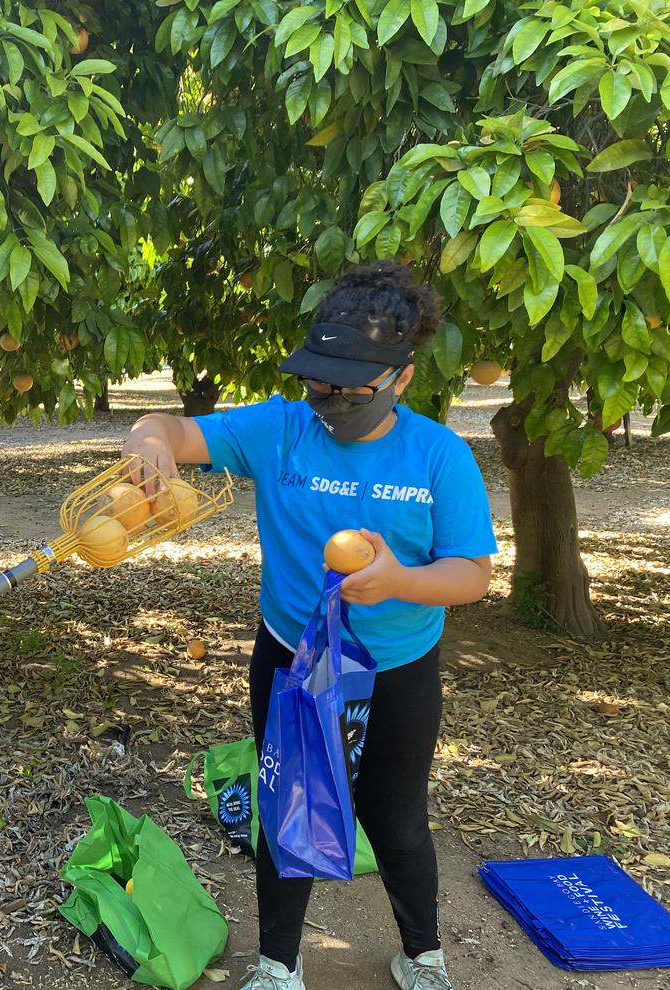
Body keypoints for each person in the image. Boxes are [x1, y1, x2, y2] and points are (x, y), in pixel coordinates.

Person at [121, 263, 497, 990]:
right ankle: (277, 964)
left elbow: (473, 574)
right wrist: (147, 440)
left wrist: (401, 582)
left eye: (351, 387)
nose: (329, 400)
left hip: (396, 668)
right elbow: (171, 427)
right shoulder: (281, 430)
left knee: (395, 822)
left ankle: (422, 954)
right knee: (286, 809)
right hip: (294, 664)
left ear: (403, 378)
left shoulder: (438, 456)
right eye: (318, 382)